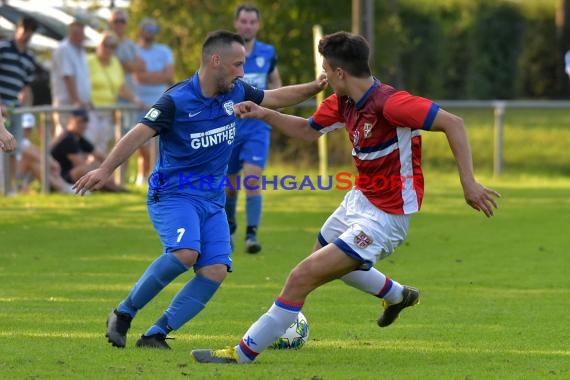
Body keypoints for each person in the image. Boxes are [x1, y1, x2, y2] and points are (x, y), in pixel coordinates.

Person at [191, 31, 501, 364]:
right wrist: (265, 113)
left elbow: (453, 123)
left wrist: (468, 182)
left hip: (387, 217)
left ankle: (241, 354)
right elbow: (307, 131)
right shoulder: (343, 102)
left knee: (302, 276)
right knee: (324, 261)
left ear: (340, 73)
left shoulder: (391, 103)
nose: (323, 75)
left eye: (326, 68)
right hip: (359, 200)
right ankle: (398, 296)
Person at [72, 30, 327, 350]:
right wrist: (106, 169)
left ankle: (155, 334)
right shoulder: (175, 100)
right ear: (215, 61)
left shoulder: (235, 92)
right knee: (184, 253)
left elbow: (276, 96)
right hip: (174, 195)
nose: (242, 72)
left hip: (212, 201)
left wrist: (316, 87)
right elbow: (137, 135)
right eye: (237, 64)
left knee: (215, 270)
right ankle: (124, 313)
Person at [225, 4, 283, 254]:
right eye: (244, 21)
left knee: (252, 178)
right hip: (231, 125)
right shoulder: (226, 52)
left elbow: (274, 80)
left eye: (252, 22)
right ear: (237, 24)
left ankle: (251, 235)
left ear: (257, 25)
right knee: (229, 184)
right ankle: (229, 228)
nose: (247, 26)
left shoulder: (267, 52)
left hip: (258, 126)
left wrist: (276, 109)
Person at [132, 17, 175, 186]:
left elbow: (168, 75)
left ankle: (153, 176)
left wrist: (146, 76)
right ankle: (142, 176)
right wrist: (156, 75)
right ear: (140, 31)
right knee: (139, 143)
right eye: (147, 30)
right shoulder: (134, 51)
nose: (149, 34)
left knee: (158, 144)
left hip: (160, 102)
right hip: (138, 103)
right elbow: (137, 77)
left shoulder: (164, 51)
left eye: (152, 30)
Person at [86, 31, 145, 154]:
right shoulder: (88, 61)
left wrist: (136, 100)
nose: (108, 49)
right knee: (88, 146)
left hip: (107, 113)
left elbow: (121, 88)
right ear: (98, 45)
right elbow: (80, 84)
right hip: (90, 112)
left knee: (102, 149)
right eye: (105, 45)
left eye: (112, 46)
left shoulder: (115, 63)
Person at [0, 16, 38, 193]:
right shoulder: (4, 48)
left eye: (30, 30)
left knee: (13, 148)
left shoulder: (29, 57)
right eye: (24, 29)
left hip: (15, 108)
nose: (26, 34)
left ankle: (10, 188)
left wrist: (24, 99)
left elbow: (26, 85)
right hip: (1, 106)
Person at [51, 109, 124, 192]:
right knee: (87, 170)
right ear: (71, 121)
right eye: (79, 122)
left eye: (85, 122)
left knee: (97, 166)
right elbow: (80, 163)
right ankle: (115, 188)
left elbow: (101, 156)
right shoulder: (68, 138)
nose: (83, 125)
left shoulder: (79, 138)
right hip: (60, 177)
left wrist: (108, 167)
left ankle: (113, 186)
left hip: (70, 174)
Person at [51, 20, 92, 137]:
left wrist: (87, 100)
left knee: (76, 140)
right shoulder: (64, 49)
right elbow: (68, 76)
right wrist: (76, 101)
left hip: (79, 105)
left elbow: (83, 78)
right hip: (68, 105)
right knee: (64, 138)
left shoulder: (80, 50)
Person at [16, 113, 74, 193]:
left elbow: (37, 152)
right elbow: (30, 152)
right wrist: (51, 163)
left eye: (28, 129)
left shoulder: (26, 142)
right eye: (24, 128)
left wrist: (50, 162)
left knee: (37, 163)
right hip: (10, 174)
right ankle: (64, 188)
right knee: (33, 159)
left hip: (20, 173)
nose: (26, 131)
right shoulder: (15, 139)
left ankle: (63, 187)